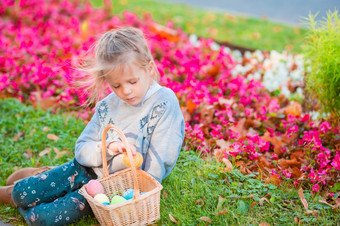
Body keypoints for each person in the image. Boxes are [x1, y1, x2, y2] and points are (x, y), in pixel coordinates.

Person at [0, 27, 185, 225]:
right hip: (84, 169)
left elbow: (162, 156)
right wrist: (107, 148)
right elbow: (82, 148)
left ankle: (40, 180)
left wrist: (140, 191)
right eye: (116, 85)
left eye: (132, 81)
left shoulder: (164, 102)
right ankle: (23, 188)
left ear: (149, 68)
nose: (126, 91)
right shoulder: (108, 106)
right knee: (22, 193)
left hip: (113, 187)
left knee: (44, 219)